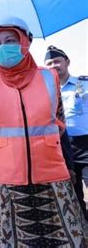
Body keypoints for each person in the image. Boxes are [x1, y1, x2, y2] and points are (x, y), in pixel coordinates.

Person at [0, 17, 86, 247]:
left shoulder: (49, 77)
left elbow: (59, 126)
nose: (3, 47)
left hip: (52, 180)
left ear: (25, 42)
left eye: (10, 40)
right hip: (5, 184)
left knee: (68, 240)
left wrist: (69, 166)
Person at [45, 45, 88, 220]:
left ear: (67, 62)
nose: (54, 66)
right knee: (73, 196)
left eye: (57, 61)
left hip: (85, 145)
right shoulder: (44, 91)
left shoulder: (83, 84)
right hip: (61, 147)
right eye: (49, 63)